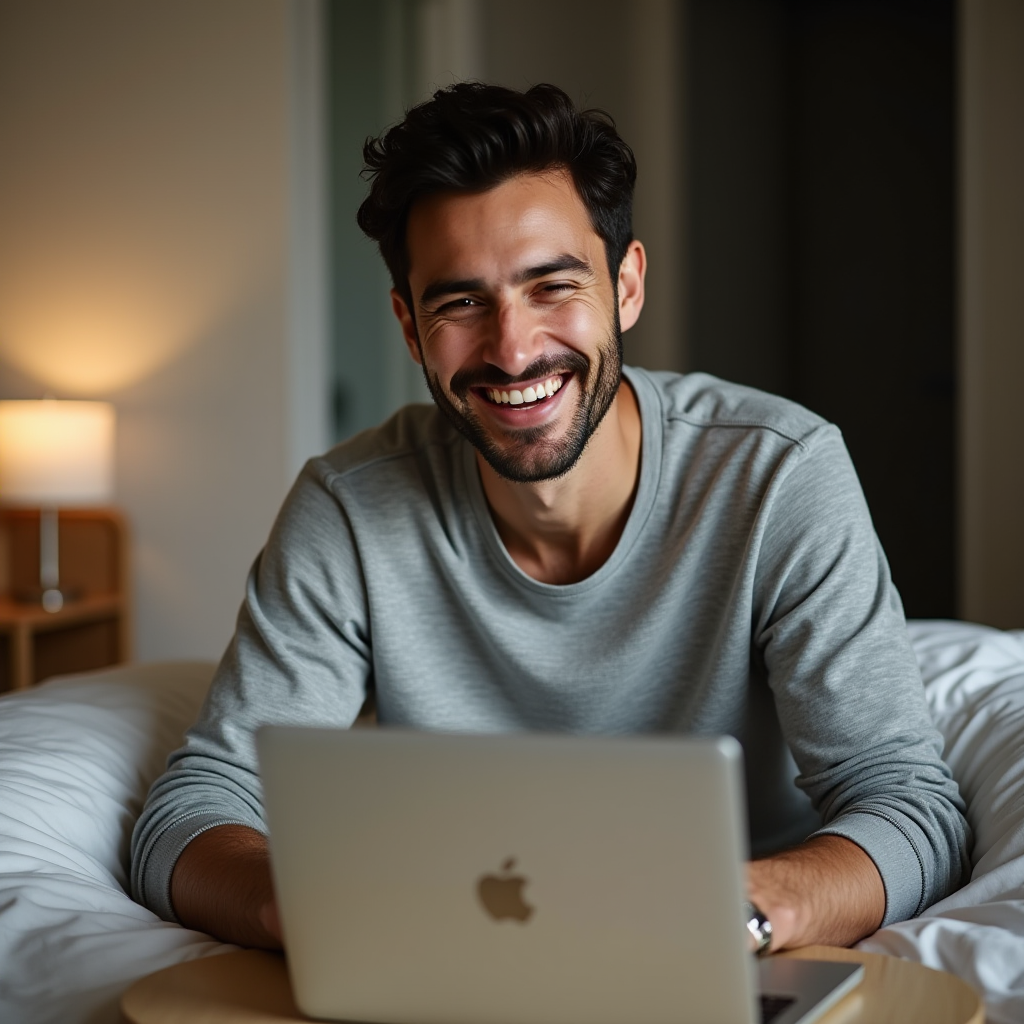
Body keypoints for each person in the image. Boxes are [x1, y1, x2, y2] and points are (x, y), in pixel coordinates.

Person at [131, 82, 969, 955]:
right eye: (459, 303)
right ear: (412, 330)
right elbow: (193, 814)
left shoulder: (780, 474)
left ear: (628, 286)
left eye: (552, 286)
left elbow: (911, 807)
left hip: (731, 950)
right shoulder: (348, 508)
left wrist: (733, 913)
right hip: (451, 952)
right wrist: (304, 908)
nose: (513, 348)